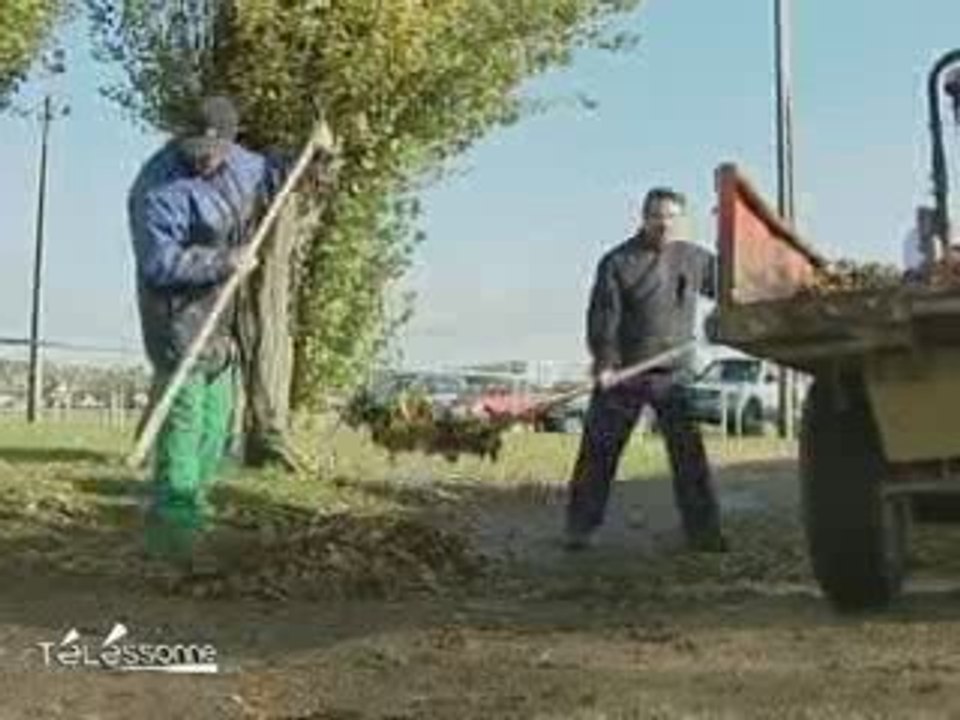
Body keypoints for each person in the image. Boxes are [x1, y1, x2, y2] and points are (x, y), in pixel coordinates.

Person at [128, 94, 329, 565]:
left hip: (223, 317)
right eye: (195, 149)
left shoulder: (244, 165)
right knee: (186, 423)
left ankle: (194, 510)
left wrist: (315, 154)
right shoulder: (157, 187)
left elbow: (277, 173)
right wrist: (223, 261)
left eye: (213, 150)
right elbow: (158, 262)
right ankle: (173, 533)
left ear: (230, 142)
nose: (203, 158)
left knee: (217, 427)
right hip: (177, 315)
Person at [564, 187, 728, 553]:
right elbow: (603, 320)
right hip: (624, 372)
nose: (664, 224)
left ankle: (704, 533)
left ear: (682, 221)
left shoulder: (695, 259)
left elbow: (732, 290)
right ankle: (580, 529)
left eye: (671, 217)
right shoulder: (618, 262)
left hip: (672, 374)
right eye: (657, 216)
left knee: (689, 456)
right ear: (644, 217)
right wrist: (605, 362)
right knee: (599, 451)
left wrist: (724, 316)